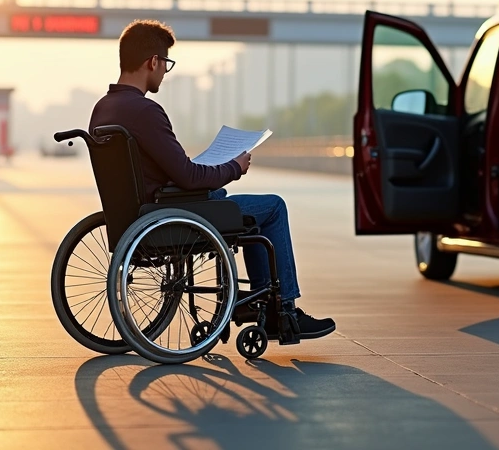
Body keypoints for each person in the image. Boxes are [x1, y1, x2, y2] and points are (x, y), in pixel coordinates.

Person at [90, 19, 335, 340]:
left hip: (140, 214)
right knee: (273, 207)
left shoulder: (103, 109)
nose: (165, 72)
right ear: (153, 62)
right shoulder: (145, 111)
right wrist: (233, 167)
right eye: (166, 64)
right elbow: (189, 176)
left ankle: (265, 305)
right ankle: (283, 311)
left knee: (229, 203)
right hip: (170, 215)